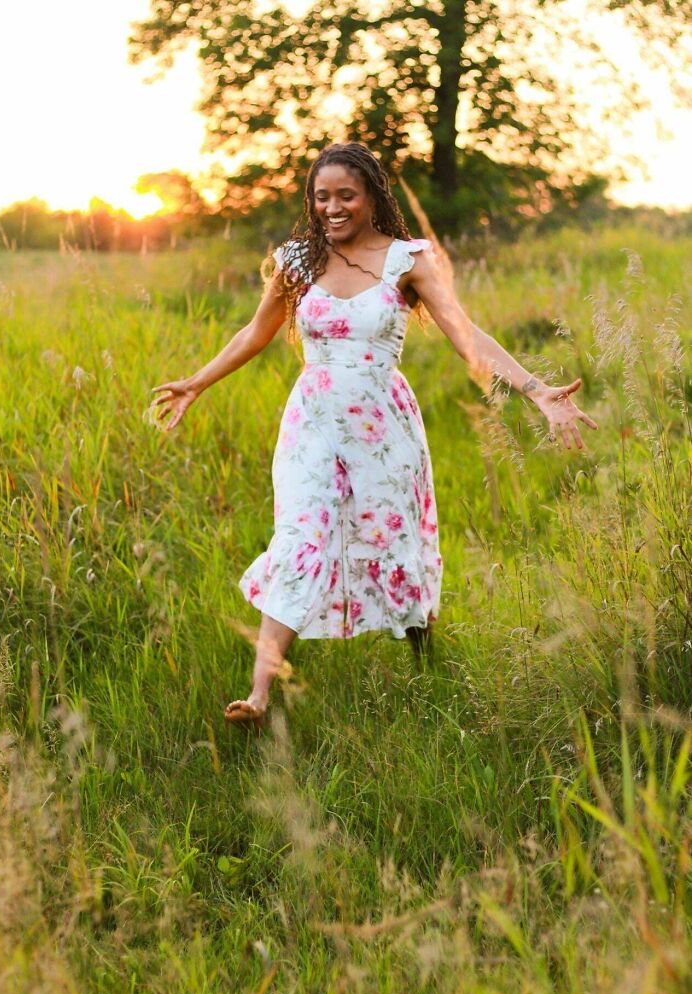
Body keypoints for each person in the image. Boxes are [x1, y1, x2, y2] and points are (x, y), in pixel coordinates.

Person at [151, 142, 597, 730]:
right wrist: (197, 383)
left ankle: (422, 654)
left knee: (393, 540)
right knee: (300, 538)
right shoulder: (297, 260)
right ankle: (259, 693)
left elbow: (466, 334)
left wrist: (535, 389)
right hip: (312, 423)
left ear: (371, 197)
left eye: (345, 195)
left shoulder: (407, 260)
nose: (331, 207)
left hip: (382, 426)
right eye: (320, 196)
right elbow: (254, 333)